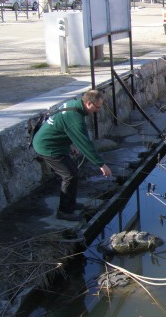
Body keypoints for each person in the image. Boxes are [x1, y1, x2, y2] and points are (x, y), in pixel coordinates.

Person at [32, 89, 112, 221]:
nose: (98, 110)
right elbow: (85, 144)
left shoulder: (74, 104)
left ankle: (71, 203)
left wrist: (70, 144)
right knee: (69, 175)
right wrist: (101, 164)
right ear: (88, 103)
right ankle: (64, 211)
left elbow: (63, 126)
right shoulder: (76, 118)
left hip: (55, 143)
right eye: (97, 107)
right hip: (48, 146)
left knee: (73, 171)